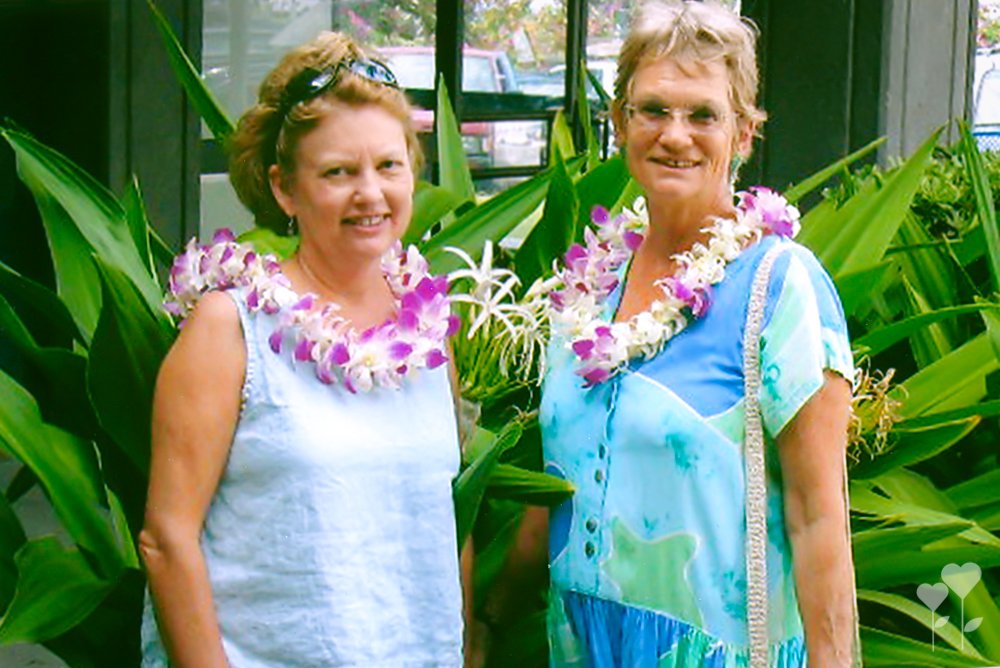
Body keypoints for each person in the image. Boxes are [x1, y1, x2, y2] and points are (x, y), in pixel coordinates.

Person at [533, 1, 858, 665]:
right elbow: (549, 480)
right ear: (622, 123)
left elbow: (818, 516)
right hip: (577, 645)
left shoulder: (778, 287)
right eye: (652, 110)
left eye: (703, 114)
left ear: (743, 133)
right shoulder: (588, 288)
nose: (674, 135)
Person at [139, 31, 470, 667]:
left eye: (388, 165)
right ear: (285, 189)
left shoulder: (427, 331)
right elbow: (166, 539)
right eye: (338, 172)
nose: (370, 194)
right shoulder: (229, 328)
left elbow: (447, 516)